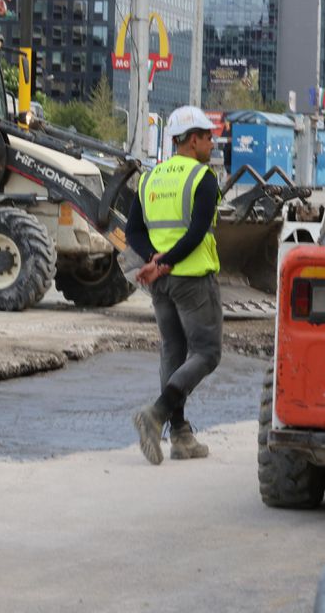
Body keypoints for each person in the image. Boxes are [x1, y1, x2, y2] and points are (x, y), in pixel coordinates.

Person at [126, 105, 223, 465]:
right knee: (207, 353)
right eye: (208, 137)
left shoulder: (150, 178)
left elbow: (133, 230)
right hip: (192, 278)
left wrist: (154, 260)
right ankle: (156, 414)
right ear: (192, 140)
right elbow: (198, 232)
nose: (212, 143)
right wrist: (165, 263)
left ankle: (181, 436)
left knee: (173, 351)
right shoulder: (203, 177)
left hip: (161, 283)